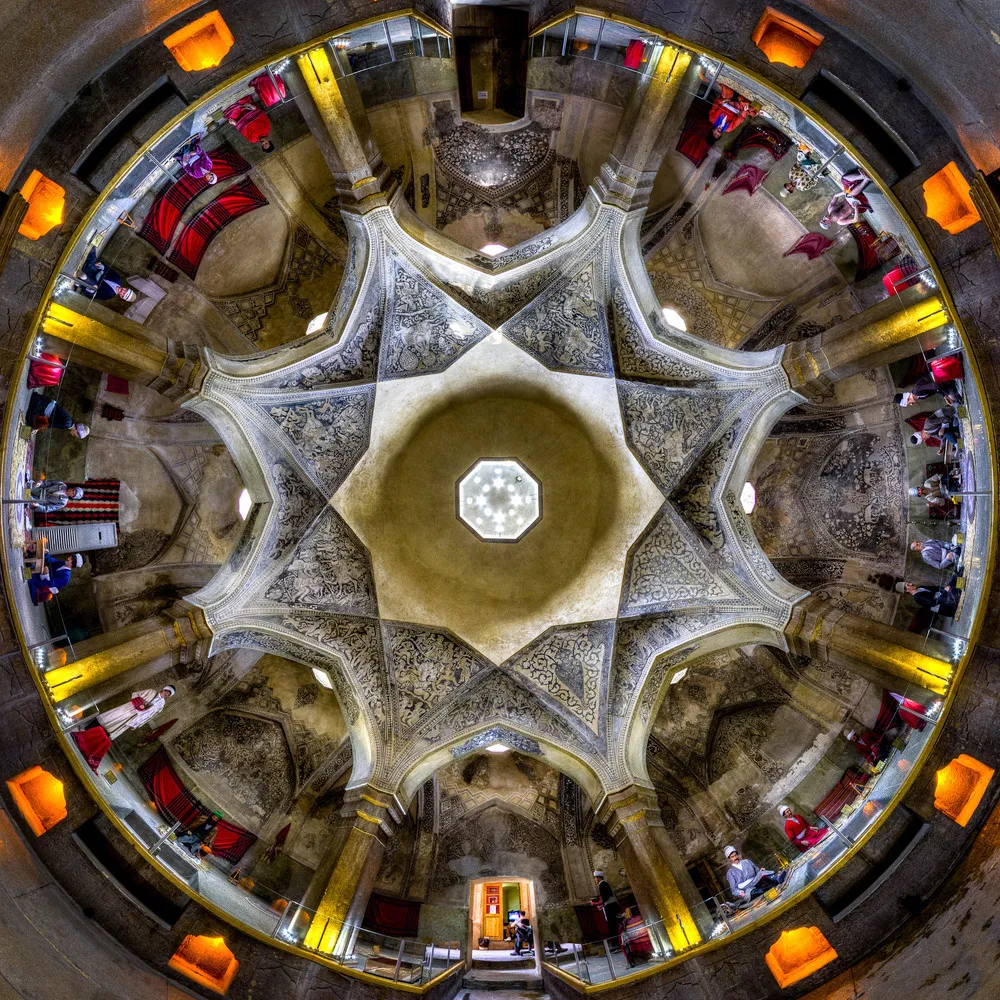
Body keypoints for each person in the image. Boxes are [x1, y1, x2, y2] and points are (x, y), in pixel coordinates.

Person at [71, 686, 176, 771]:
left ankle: (93, 741)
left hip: (134, 718)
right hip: (128, 709)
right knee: (110, 719)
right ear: (164, 689)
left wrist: (138, 724)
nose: (167, 694)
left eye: (169, 694)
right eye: (167, 691)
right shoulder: (151, 691)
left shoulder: (161, 705)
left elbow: (151, 716)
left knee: (116, 729)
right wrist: (140, 704)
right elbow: (136, 694)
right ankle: (87, 730)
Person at [73, 246, 137, 302]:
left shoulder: (108, 295)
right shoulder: (118, 279)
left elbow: (92, 296)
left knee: (93, 286)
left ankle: (82, 279)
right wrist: (101, 266)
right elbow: (107, 269)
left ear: (121, 297)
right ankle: (84, 273)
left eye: (123, 294)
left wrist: (91, 290)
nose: (122, 291)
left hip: (90, 281)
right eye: (125, 290)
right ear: (126, 288)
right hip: (94, 270)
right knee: (92, 252)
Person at [25, 392, 89, 438]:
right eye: (77, 435)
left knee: (34, 424)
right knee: (31, 423)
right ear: (77, 430)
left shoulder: (69, 422)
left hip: (44, 402)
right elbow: (49, 423)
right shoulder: (67, 424)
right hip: (41, 405)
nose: (75, 436)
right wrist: (37, 428)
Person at [896, 578, 961, 618]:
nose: (911, 583)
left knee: (954, 577)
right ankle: (960, 591)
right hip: (944, 605)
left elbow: (935, 588)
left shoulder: (920, 587)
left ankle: (961, 586)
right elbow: (934, 603)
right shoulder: (917, 597)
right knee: (953, 590)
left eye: (909, 582)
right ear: (906, 590)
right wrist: (945, 591)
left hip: (943, 595)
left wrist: (945, 588)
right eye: (908, 585)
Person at [894, 373, 961, 407]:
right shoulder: (920, 397)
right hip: (941, 385)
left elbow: (936, 385)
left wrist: (947, 394)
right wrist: (945, 396)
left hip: (939, 377)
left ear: (908, 399)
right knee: (954, 401)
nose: (911, 404)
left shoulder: (917, 390)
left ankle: (953, 382)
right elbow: (936, 391)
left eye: (909, 403)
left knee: (954, 397)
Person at [592, 871, 625, 936]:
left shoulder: (602, 885)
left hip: (610, 907)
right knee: (617, 922)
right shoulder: (604, 884)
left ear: (598, 878)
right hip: (613, 905)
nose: (594, 879)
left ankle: (615, 941)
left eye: (595, 878)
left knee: (612, 924)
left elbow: (605, 898)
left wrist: (595, 903)